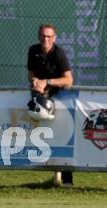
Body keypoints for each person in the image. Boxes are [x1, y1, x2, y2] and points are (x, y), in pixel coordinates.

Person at [27, 23, 74, 186]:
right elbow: (31, 75)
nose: (45, 39)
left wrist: (46, 82)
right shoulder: (33, 51)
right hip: (40, 100)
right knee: (45, 136)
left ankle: (66, 180)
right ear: (39, 36)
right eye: (43, 36)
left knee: (63, 135)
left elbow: (69, 80)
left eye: (49, 36)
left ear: (54, 38)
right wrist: (35, 81)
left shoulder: (59, 54)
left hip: (60, 98)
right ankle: (53, 175)